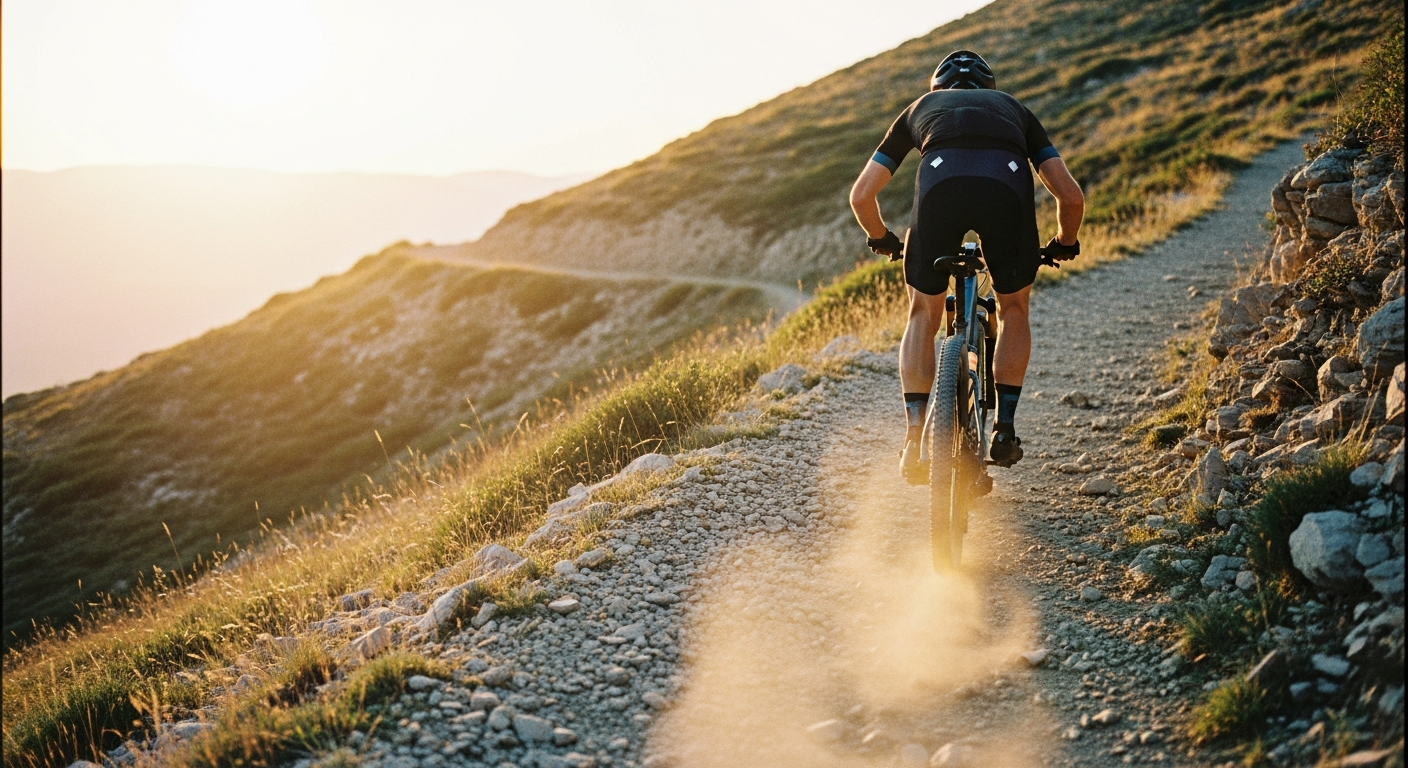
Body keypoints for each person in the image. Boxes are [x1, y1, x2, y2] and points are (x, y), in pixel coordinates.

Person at [848, 50, 1085, 484]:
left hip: (940, 191)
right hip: (1006, 192)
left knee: (923, 314)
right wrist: (1065, 244)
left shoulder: (918, 109)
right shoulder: (1015, 110)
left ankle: (914, 441)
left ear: (937, 88)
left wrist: (883, 239)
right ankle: (1005, 429)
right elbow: (1070, 198)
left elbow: (862, 195)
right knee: (1013, 310)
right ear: (990, 90)